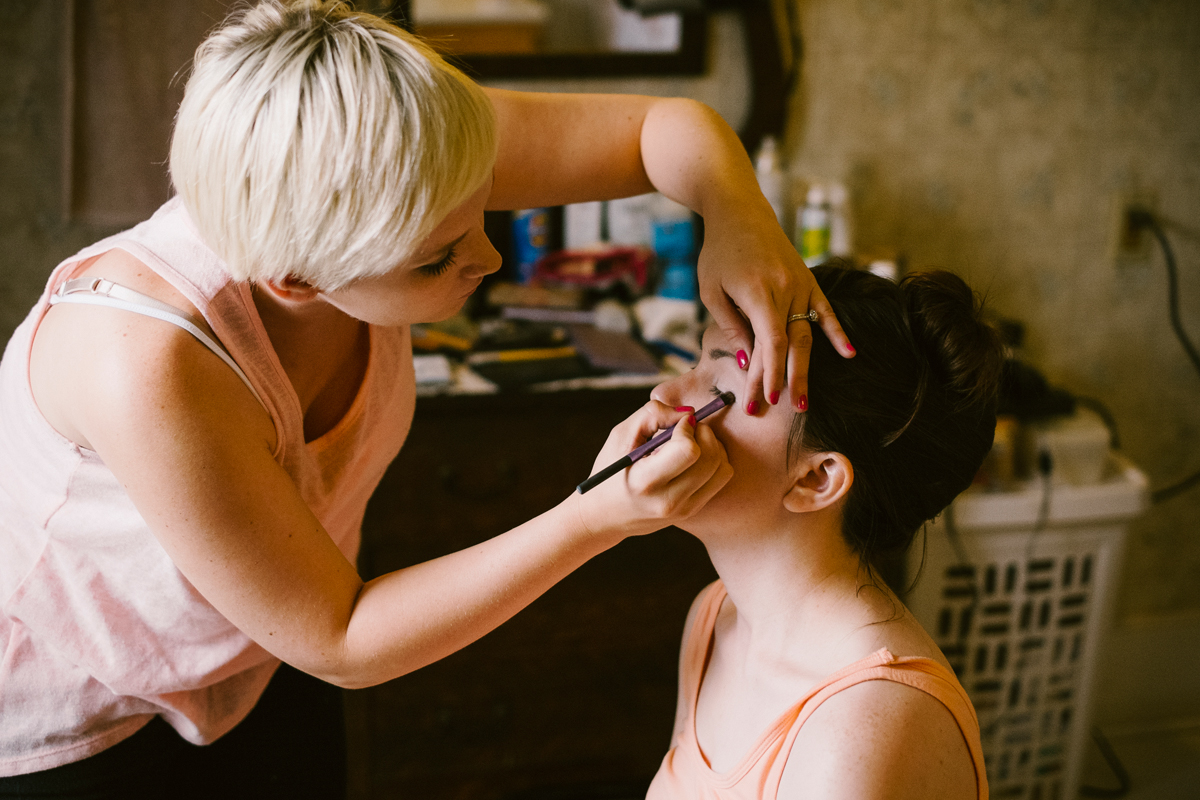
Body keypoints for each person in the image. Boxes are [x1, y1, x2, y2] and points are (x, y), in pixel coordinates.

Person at [0, 2, 853, 797]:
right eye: (437, 259)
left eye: (481, 208)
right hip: (81, 726)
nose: (486, 260)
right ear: (298, 280)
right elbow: (342, 638)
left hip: (258, 665)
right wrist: (598, 515)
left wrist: (739, 215)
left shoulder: (409, 152)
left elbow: (669, 129)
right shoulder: (145, 366)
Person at [645, 263, 1002, 799]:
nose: (665, 392)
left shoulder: (862, 728)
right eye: (694, 361)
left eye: (719, 386)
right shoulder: (716, 616)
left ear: (816, 478)